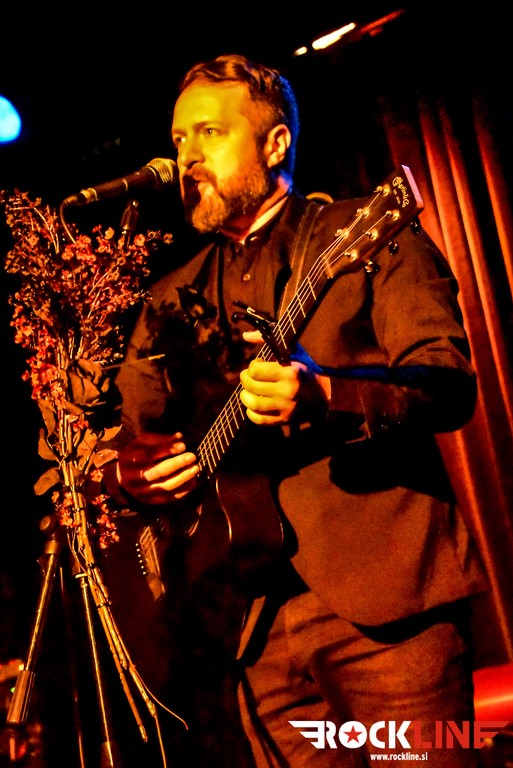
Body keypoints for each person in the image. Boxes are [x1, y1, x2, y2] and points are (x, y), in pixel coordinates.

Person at [99, 53, 489, 767]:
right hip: (248, 630)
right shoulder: (169, 299)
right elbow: (131, 441)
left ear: (275, 143)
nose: (187, 157)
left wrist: (330, 397)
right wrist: (129, 474)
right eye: (179, 138)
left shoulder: (364, 230)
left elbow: (447, 384)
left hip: (387, 608)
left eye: (209, 133)